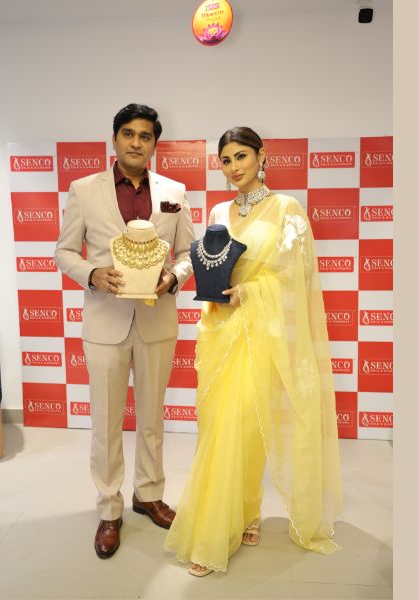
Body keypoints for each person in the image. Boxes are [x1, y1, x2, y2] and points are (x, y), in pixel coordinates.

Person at [164, 127, 344, 576]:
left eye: (241, 156)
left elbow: (297, 276)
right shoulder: (219, 210)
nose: (233, 167)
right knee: (218, 425)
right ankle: (246, 512)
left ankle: (217, 533)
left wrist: (251, 291)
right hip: (220, 331)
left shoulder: (286, 208)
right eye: (225, 160)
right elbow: (212, 265)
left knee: (243, 424)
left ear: (262, 156)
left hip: (261, 333)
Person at [54, 103, 195, 559]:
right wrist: (93, 274)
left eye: (145, 136)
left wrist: (174, 277)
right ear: (115, 138)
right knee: (106, 422)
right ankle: (109, 508)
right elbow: (63, 252)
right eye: (128, 134)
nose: (137, 142)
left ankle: (148, 495)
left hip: (157, 320)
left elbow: (188, 253)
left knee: (152, 418)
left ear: (155, 143)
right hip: (104, 322)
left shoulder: (174, 191)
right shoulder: (83, 190)